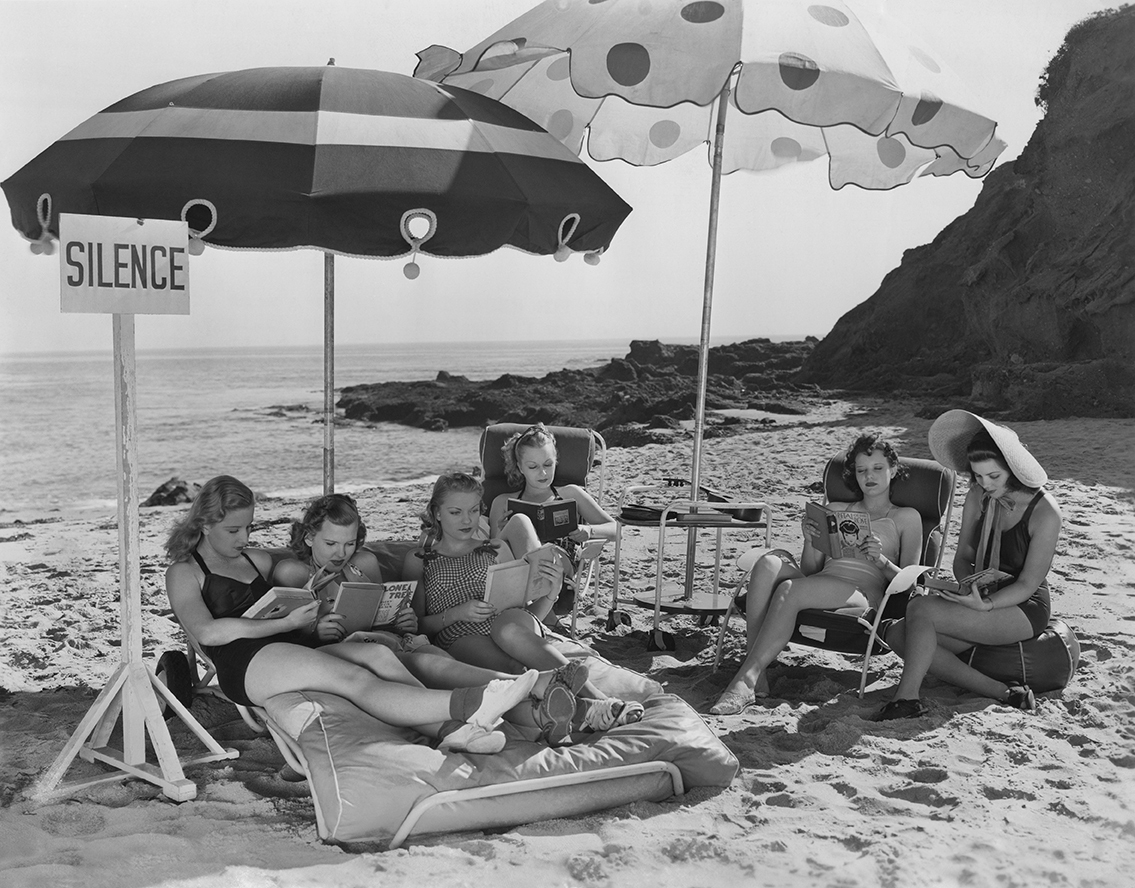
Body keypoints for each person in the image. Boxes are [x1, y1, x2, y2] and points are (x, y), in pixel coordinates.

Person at [165, 475, 580, 754]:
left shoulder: (254, 557)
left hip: (289, 642)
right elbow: (205, 631)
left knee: (380, 657)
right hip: (246, 659)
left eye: (249, 529)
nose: (244, 539)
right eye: (233, 531)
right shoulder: (184, 571)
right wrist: (283, 623)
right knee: (356, 679)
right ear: (203, 523)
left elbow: (300, 569)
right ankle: (474, 703)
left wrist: (321, 594)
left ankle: (454, 731)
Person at [404, 471, 644, 734]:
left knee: (507, 628)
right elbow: (417, 628)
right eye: (455, 512)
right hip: (459, 633)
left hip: (511, 622)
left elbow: (529, 613)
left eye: (474, 511)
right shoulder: (419, 559)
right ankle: (585, 710)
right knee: (513, 668)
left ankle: (600, 699)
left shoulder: (494, 548)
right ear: (436, 512)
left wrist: (550, 594)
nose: (467, 520)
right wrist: (456, 614)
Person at [710, 434, 924, 715]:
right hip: (821, 583)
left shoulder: (907, 518)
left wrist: (881, 560)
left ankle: (744, 681)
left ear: (893, 470)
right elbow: (810, 570)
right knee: (766, 564)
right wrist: (810, 539)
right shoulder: (835, 510)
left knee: (790, 589)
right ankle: (757, 675)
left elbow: (909, 582)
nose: (868, 476)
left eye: (877, 468)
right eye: (861, 470)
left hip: (861, 593)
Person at [875, 411, 1060, 719]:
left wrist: (985, 604)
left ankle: (906, 699)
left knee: (920, 609)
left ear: (1013, 469)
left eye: (993, 477)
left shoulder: (1046, 513)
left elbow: (1028, 584)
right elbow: (963, 557)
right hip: (981, 590)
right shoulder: (978, 494)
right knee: (897, 634)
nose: (984, 484)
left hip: (1023, 607)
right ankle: (1003, 692)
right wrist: (969, 584)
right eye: (977, 476)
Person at [272, 492, 419, 647]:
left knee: (435, 660)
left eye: (350, 544)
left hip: (380, 645)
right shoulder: (292, 573)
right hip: (335, 658)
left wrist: (404, 623)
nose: (341, 554)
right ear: (309, 538)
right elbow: (279, 638)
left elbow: (380, 624)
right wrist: (315, 636)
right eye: (331, 544)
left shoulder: (365, 564)